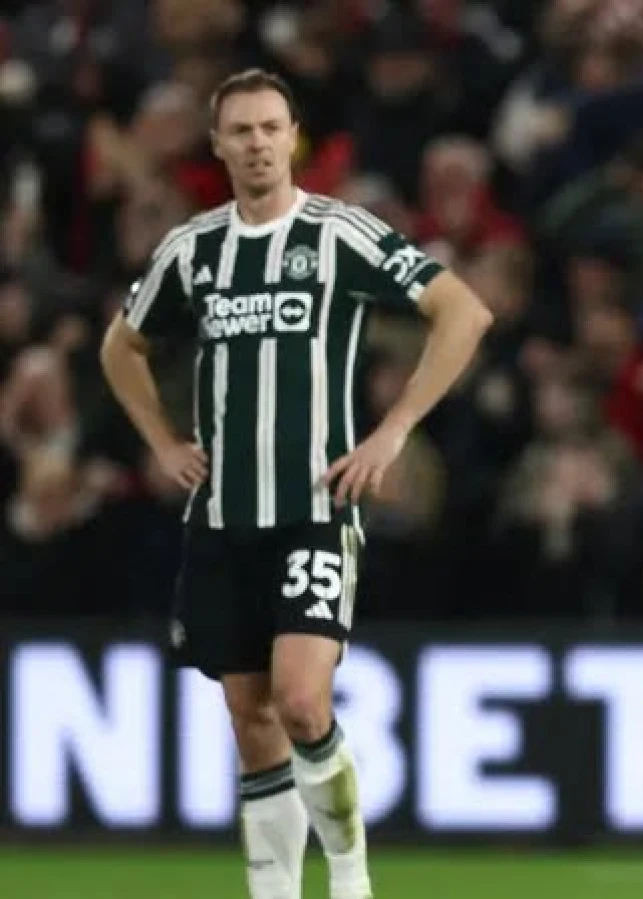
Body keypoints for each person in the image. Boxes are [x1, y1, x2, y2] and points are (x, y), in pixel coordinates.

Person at [99, 69, 493, 899]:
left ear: (294, 136)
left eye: (270, 127)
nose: (256, 142)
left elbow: (463, 311)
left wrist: (393, 429)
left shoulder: (340, 233)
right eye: (239, 130)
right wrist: (164, 441)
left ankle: (349, 872)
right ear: (217, 145)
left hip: (314, 507)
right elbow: (119, 348)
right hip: (219, 517)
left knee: (303, 702)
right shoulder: (192, 249)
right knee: (252, 724)